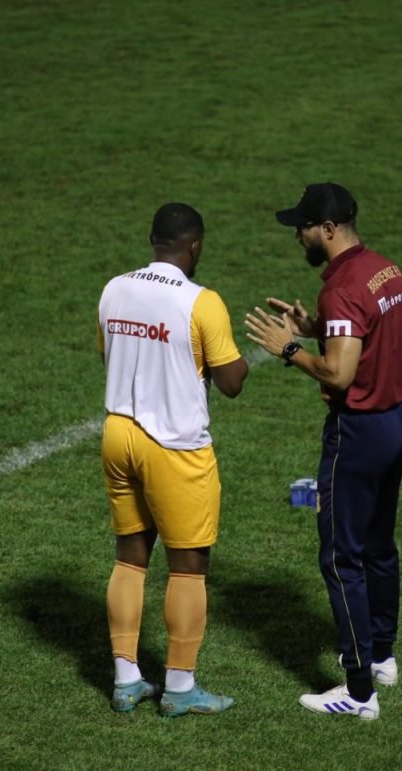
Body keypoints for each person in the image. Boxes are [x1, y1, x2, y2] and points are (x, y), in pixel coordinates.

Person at [244, 182, 402, 720]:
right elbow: (363, 336)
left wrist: (290, 348)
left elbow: (341, 373)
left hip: (360, 434)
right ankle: (383, 655)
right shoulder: (384, 268)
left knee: (341, 559)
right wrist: (320, 329)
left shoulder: (341, 285)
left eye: (302, 227)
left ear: (327, 229)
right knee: (378, 546)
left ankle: (359, 692)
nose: (297, 236)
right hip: (399, 424)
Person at [97, 202, 248, 717]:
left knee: (129, 556)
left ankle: (126, 680)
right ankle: (180, 688)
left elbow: (108, 354)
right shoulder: (201, 302)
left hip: (119, 435)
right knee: (188, 567)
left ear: (152, 239)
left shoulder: (114, 288)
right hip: (174, 445)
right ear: (196, 245)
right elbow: (231, 383)